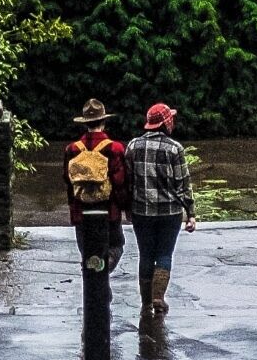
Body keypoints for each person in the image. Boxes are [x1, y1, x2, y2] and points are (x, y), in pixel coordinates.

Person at [125, 101, 196, 322]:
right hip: (170, 212)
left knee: (145, 254)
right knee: (164, 254)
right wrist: (191, 212)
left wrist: (127, 207)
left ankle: (146, 302)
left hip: (141, 210)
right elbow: (183, 183)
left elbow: (127, 180)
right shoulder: (175, 148)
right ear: (166, 122)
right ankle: (159, 298)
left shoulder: (133, 146)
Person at [63, 98, 128, 276]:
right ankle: (101, 278)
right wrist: (124, 207)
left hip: (80, 211)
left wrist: (73, 208)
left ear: (85, 123)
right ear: (104, 121)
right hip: (109, 211)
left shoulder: (72, 149)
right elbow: (120, 183)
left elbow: (68, 181)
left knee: (88, 254)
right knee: (116, 248)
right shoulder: (115, 149)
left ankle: (95, 288)